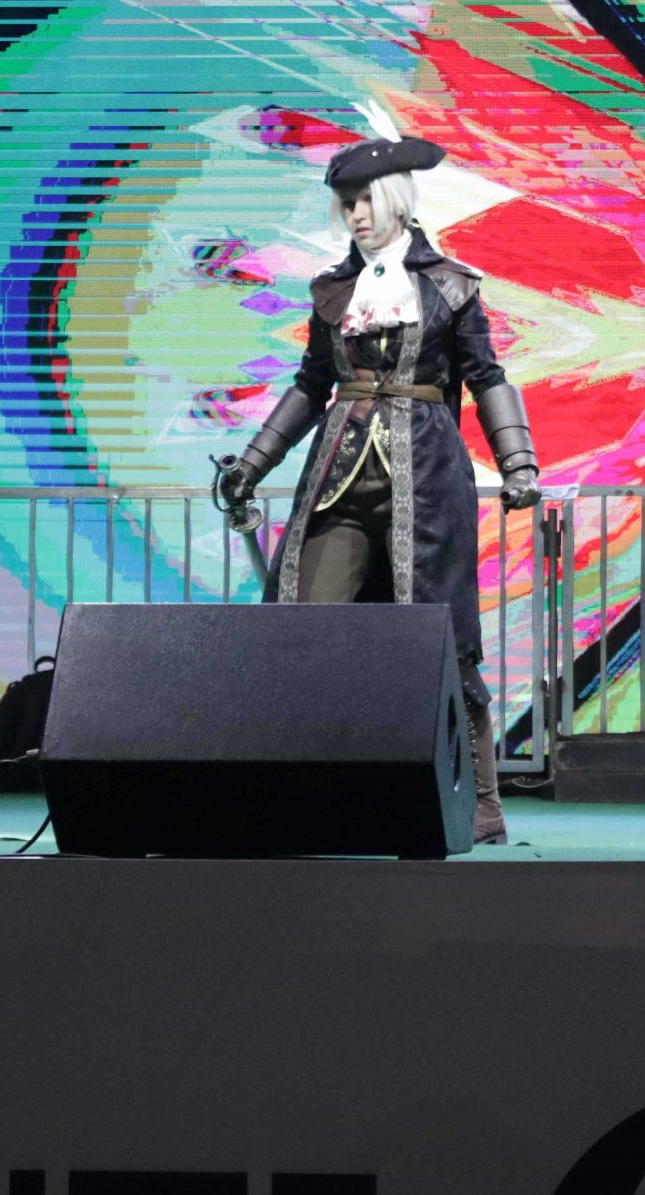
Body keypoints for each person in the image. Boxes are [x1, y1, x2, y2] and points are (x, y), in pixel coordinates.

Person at [219, 135, 540, 846]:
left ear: (393, 198)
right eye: (345, 204)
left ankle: (481, 802)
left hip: (426, 478)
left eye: (364, 200)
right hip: (338, 478)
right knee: (300, 626)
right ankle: (298, 797)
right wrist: (252, 465)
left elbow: (485, 377)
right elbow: (311, 385)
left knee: (444, 640)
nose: (355, 214)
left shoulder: (452, 285)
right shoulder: (334, 290)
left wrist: (519, 464)